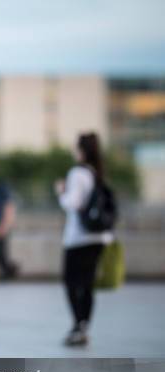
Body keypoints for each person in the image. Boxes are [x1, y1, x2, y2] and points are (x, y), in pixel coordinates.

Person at [56, 132, 114, 346]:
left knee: (71, 282)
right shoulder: (97, 173)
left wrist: (61, 192)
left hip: (79, 238)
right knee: (87, 283)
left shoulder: (77, 173)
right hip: (99, 236)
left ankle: (78, 325)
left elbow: (71, 203)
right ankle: (83, 326)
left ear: (81, 150)